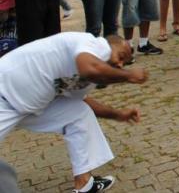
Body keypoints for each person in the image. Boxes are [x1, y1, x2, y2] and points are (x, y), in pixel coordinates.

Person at [0, 32, 148, 193]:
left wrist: (118, 115)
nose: (120, 64)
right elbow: (89, 69)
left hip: (30, 104)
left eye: (124, 64)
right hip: (4, 95)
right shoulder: (94, 45)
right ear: (109, 45)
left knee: (79, 113)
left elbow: (82, 100)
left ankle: (84, 184)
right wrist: (129, 75)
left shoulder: (89, 77)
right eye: (121, 56)